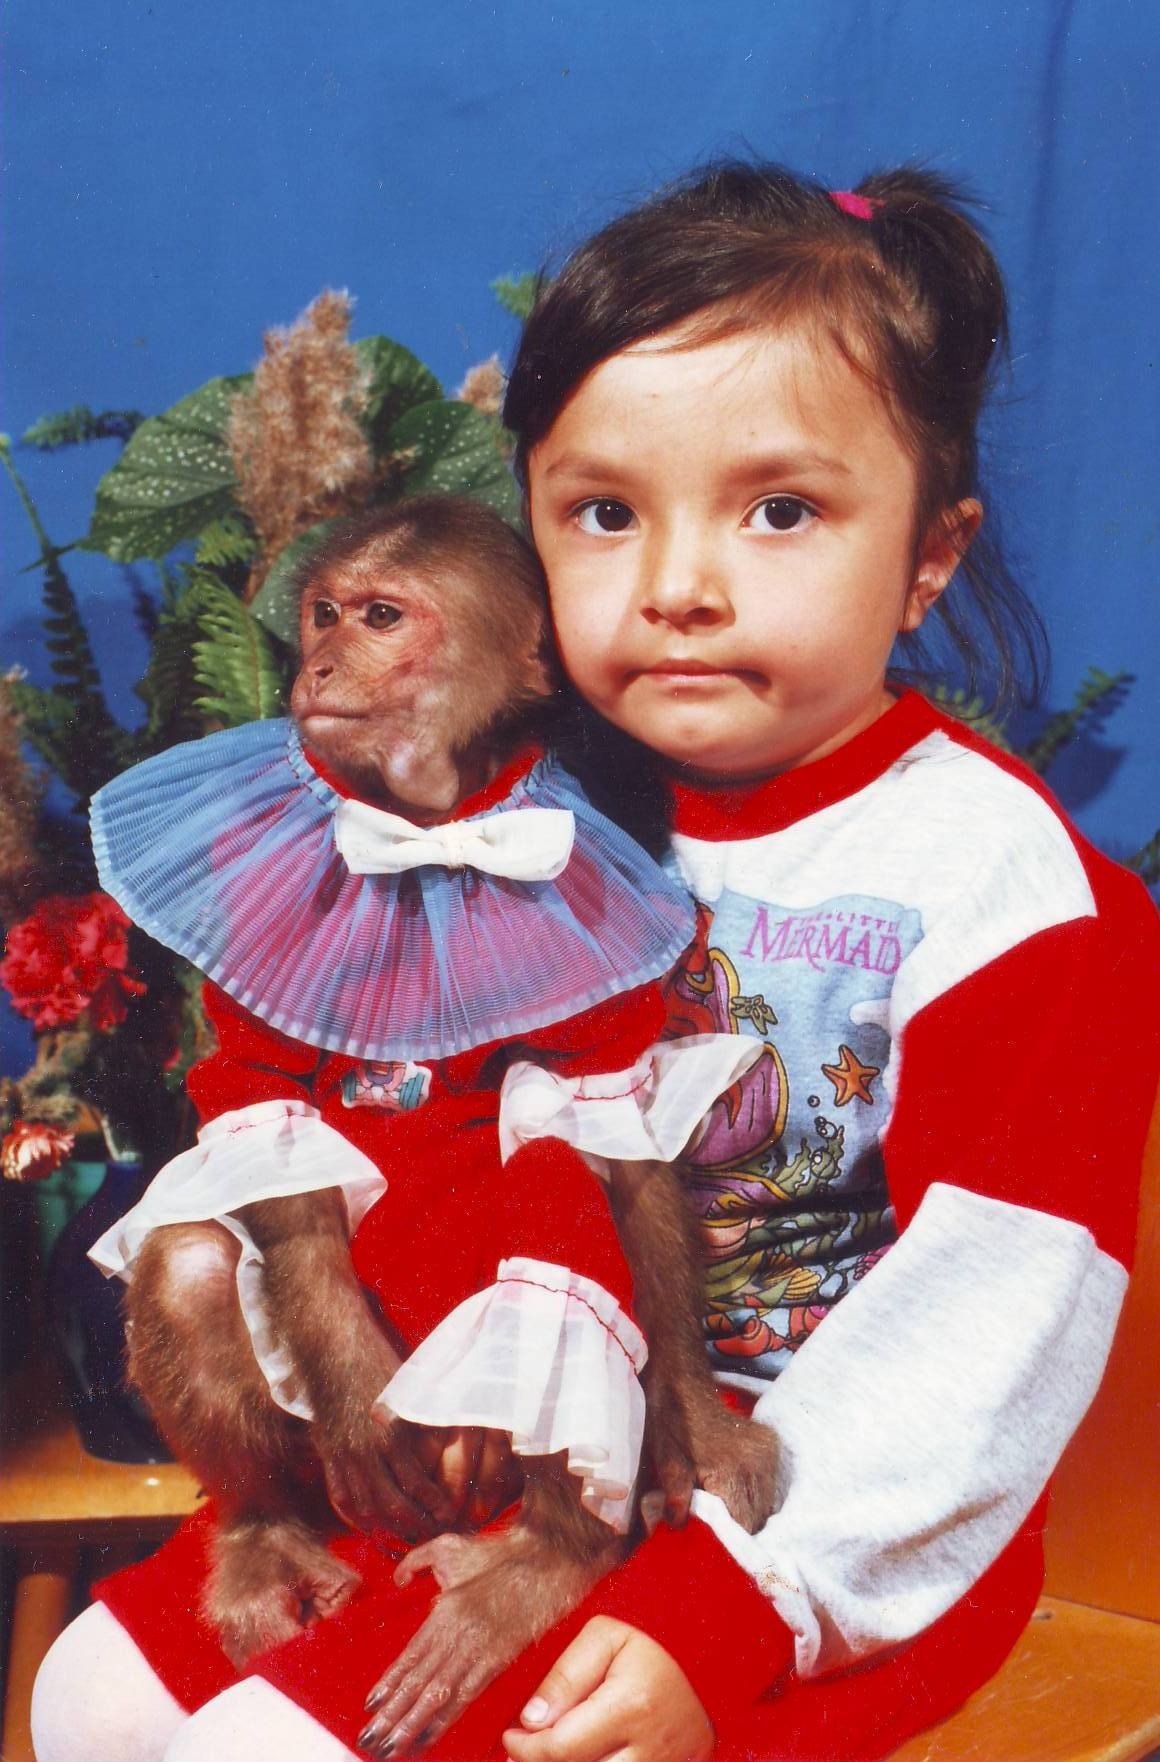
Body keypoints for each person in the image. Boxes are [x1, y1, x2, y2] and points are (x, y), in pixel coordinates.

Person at [33, 161, 1160, 1762]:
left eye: (782, 510)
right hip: (511, 1444)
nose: (680, 587)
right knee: (87, 1700)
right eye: (606, 513)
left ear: (929, 554)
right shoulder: (521, 804)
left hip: (798, 1541)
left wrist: (724, 1615)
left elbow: (981, 1340)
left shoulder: (999, 887)